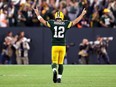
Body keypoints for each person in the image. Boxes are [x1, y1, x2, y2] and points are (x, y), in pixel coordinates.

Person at [33, 5, 86, 83]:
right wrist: (82, 14)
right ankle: (59, 78)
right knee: (61, 63)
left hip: (55, 46)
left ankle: (54, 70)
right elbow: (75, 21)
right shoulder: (65, 23)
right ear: (62, 16)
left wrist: (37, 13)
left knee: (54, 62)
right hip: (62, 46)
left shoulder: (52, 23)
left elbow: (42, 21)